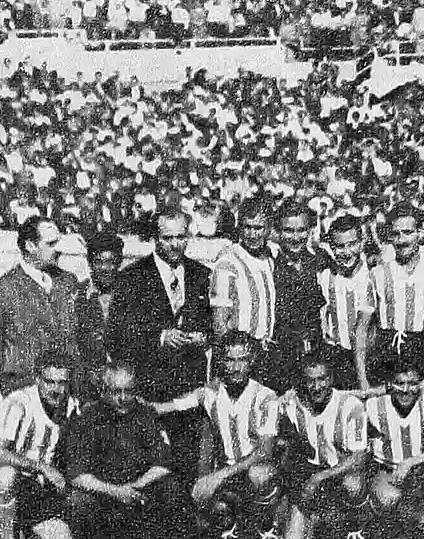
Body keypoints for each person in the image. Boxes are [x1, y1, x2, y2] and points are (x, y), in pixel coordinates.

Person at [108, 208, 212, 484]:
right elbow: (118, 335)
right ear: (155, 238)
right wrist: (159, 336)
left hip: (188, 391)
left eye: (181, 236)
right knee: (148, 469)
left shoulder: (201, 274)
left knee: (185, 467)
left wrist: (203, 336)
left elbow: (211, 325)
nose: (175, 244)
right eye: (168, 238)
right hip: (150, 390)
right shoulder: (132, 277)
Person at [154, 331, 283, 539]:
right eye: (229, 360)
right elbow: (168, 407)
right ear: (220, 362)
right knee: (211, 505)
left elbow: (265, 452)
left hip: (255, 470)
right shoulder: (209, 393)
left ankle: (269, 522)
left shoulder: (265, 397)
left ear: (251, 362)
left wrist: (217, 476)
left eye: (241, 360)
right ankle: (233, 519)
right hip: (228, 473)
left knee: (258, 475)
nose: (235, 367)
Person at [64, 364, 192, 539]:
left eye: (128, 391)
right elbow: (76, 475)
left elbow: (163, 464)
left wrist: (135, 487)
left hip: (137, 494)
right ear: (103, 390)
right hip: (103, 494)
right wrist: (115, 492)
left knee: (171, 487)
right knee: (77, 500)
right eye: (116, 392)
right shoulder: (87, 418)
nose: (122, 399)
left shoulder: (145, 414)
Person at [278, 350, 371, 539]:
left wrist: (320, 477)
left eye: (322, 379)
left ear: (331, 378)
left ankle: (356, 522)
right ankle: (313, 515)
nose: (317, 386)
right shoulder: (293, 405)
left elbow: (358, 459)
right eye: (311, 381)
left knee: (353, 485)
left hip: (341, 473)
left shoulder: (350, 406)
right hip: (311, 477)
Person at [355, 203, 424, 390]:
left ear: (420, 233)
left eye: (408, 232)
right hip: (388, 352)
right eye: (395, 234)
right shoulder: (378, 274)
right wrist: (363, 380)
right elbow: (361, 329)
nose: (401, 240)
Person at [363, 349, 424, 539]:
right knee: (388, 498)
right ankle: (378, 514)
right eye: (400, 383)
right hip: (388, 470)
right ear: (389, 384)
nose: (406, 390)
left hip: (420, 468)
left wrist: (410, 462)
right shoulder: (374, 405)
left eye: (412, 383)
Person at [0, 352, 80, 539]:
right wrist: (42, 467)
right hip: (11, 486)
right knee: (5, 475)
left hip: (37, 493)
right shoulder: (19, 402)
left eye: (62, 383)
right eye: (50, 381)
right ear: (37, 379)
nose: (56, 389)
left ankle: (25, 535)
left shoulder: (71, 406)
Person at [0, 216, 80, 395]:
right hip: (21, 392)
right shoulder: (5, 289)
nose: (58, 249)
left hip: (65, 393)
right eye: (50, 244)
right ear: (30, 246)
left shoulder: (68, 282)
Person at [268, 199, 329, 392]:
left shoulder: (320, 259)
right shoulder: (269, 262)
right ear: (277, 232)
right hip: (281, 354)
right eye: (288, 231)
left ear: (310, 230)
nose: (295, 237)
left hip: (316, 352)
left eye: (301, 230)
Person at [210, 197, 277, 352]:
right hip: (239, 352)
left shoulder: (269, 259)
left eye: (258, 228)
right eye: (247, 227)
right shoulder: (228, 261)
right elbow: (220, 322)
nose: (252, 234)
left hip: (265, 350)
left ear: (268, 228)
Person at [318, 215, 372, 389]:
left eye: (352, 244)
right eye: (340, 246)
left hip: (369, 357)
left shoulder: (372, 275)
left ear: (362, 243)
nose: (347, 252)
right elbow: (322, 315)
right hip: (338, 357)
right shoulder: (326, 277)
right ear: (331, 248)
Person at [76, 231, 124, 382]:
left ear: (119, 263)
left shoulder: (131, 295)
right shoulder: (78, 295)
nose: (105, 268)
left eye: (111, 262)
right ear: (89, 263)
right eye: (98, 262)